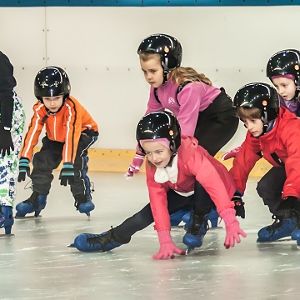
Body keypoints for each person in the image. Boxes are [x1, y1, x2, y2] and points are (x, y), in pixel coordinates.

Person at [72, 111, 246, 259]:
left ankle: (199, 219)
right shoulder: (152, 165)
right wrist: (165, 241)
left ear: (173, 144)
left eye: (158, 151)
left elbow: (215, 187)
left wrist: (231, 221)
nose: (154, 158)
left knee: (203, 185)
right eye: (148, 153)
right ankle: (112, 238)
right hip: (184, 191)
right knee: (143, 215)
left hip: (213, 194)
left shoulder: (192, 155)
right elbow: (157, 203)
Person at [126, 33, 239, 226]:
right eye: (144, 72)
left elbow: (185, 134)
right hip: (200, 118)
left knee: (193, 160)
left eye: (152, 71)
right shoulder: (157, 88)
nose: (148, 77)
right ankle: (186, 206)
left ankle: (206, 211)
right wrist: (139, 151)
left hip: (221, 118)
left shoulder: (188, 88)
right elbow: (149, 121)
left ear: (168, 65)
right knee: (180, 160)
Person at [15, 66, 99, 218]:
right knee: (42, 161)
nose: (52, 104)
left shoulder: (71, 108)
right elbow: (33, 132)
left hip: (83, 133)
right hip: (56, 137)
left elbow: (71, 136)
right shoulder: (39, 108)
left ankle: (82, 197)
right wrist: (24, 159)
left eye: (56, 98)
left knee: (75, 162)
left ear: (65, 95)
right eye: (48, 99)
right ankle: (38, 198)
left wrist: (67, 163)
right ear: (41, 98)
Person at [230, 82, 300, 244]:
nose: (249, 127)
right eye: (245, 122)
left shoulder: (291, 128)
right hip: (289, 166)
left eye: (253, 121)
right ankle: (288, 221)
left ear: (267, 115)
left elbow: (297, 163)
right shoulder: (258, 134)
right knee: (266, 186)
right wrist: (235, 193)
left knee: (293, 188)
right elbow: (243, 161)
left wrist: (290, 194)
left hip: (297, 166)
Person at [223, 49, 300, 161]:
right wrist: (246, 149)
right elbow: (269, 129)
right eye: (276, 86)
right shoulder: (281, 102)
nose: (280, 91)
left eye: (284, 85)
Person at [0, 51, 25, 234]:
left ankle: (4, 210)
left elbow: (6, 94)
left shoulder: (0, 60)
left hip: (8, 114)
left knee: (5, 161)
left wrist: (5, 129)